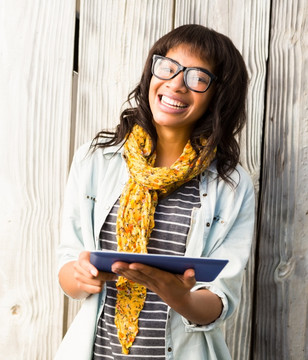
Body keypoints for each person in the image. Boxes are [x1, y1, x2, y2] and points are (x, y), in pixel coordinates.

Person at [55, 24, 255, 360]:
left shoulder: (231, 185)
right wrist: (81, 276)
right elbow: (68, 265)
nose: (176, 84)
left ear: (219, 94)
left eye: (197, 77)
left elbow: (222, 299)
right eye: (168, 67)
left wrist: (181, 297)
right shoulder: (96, 160)